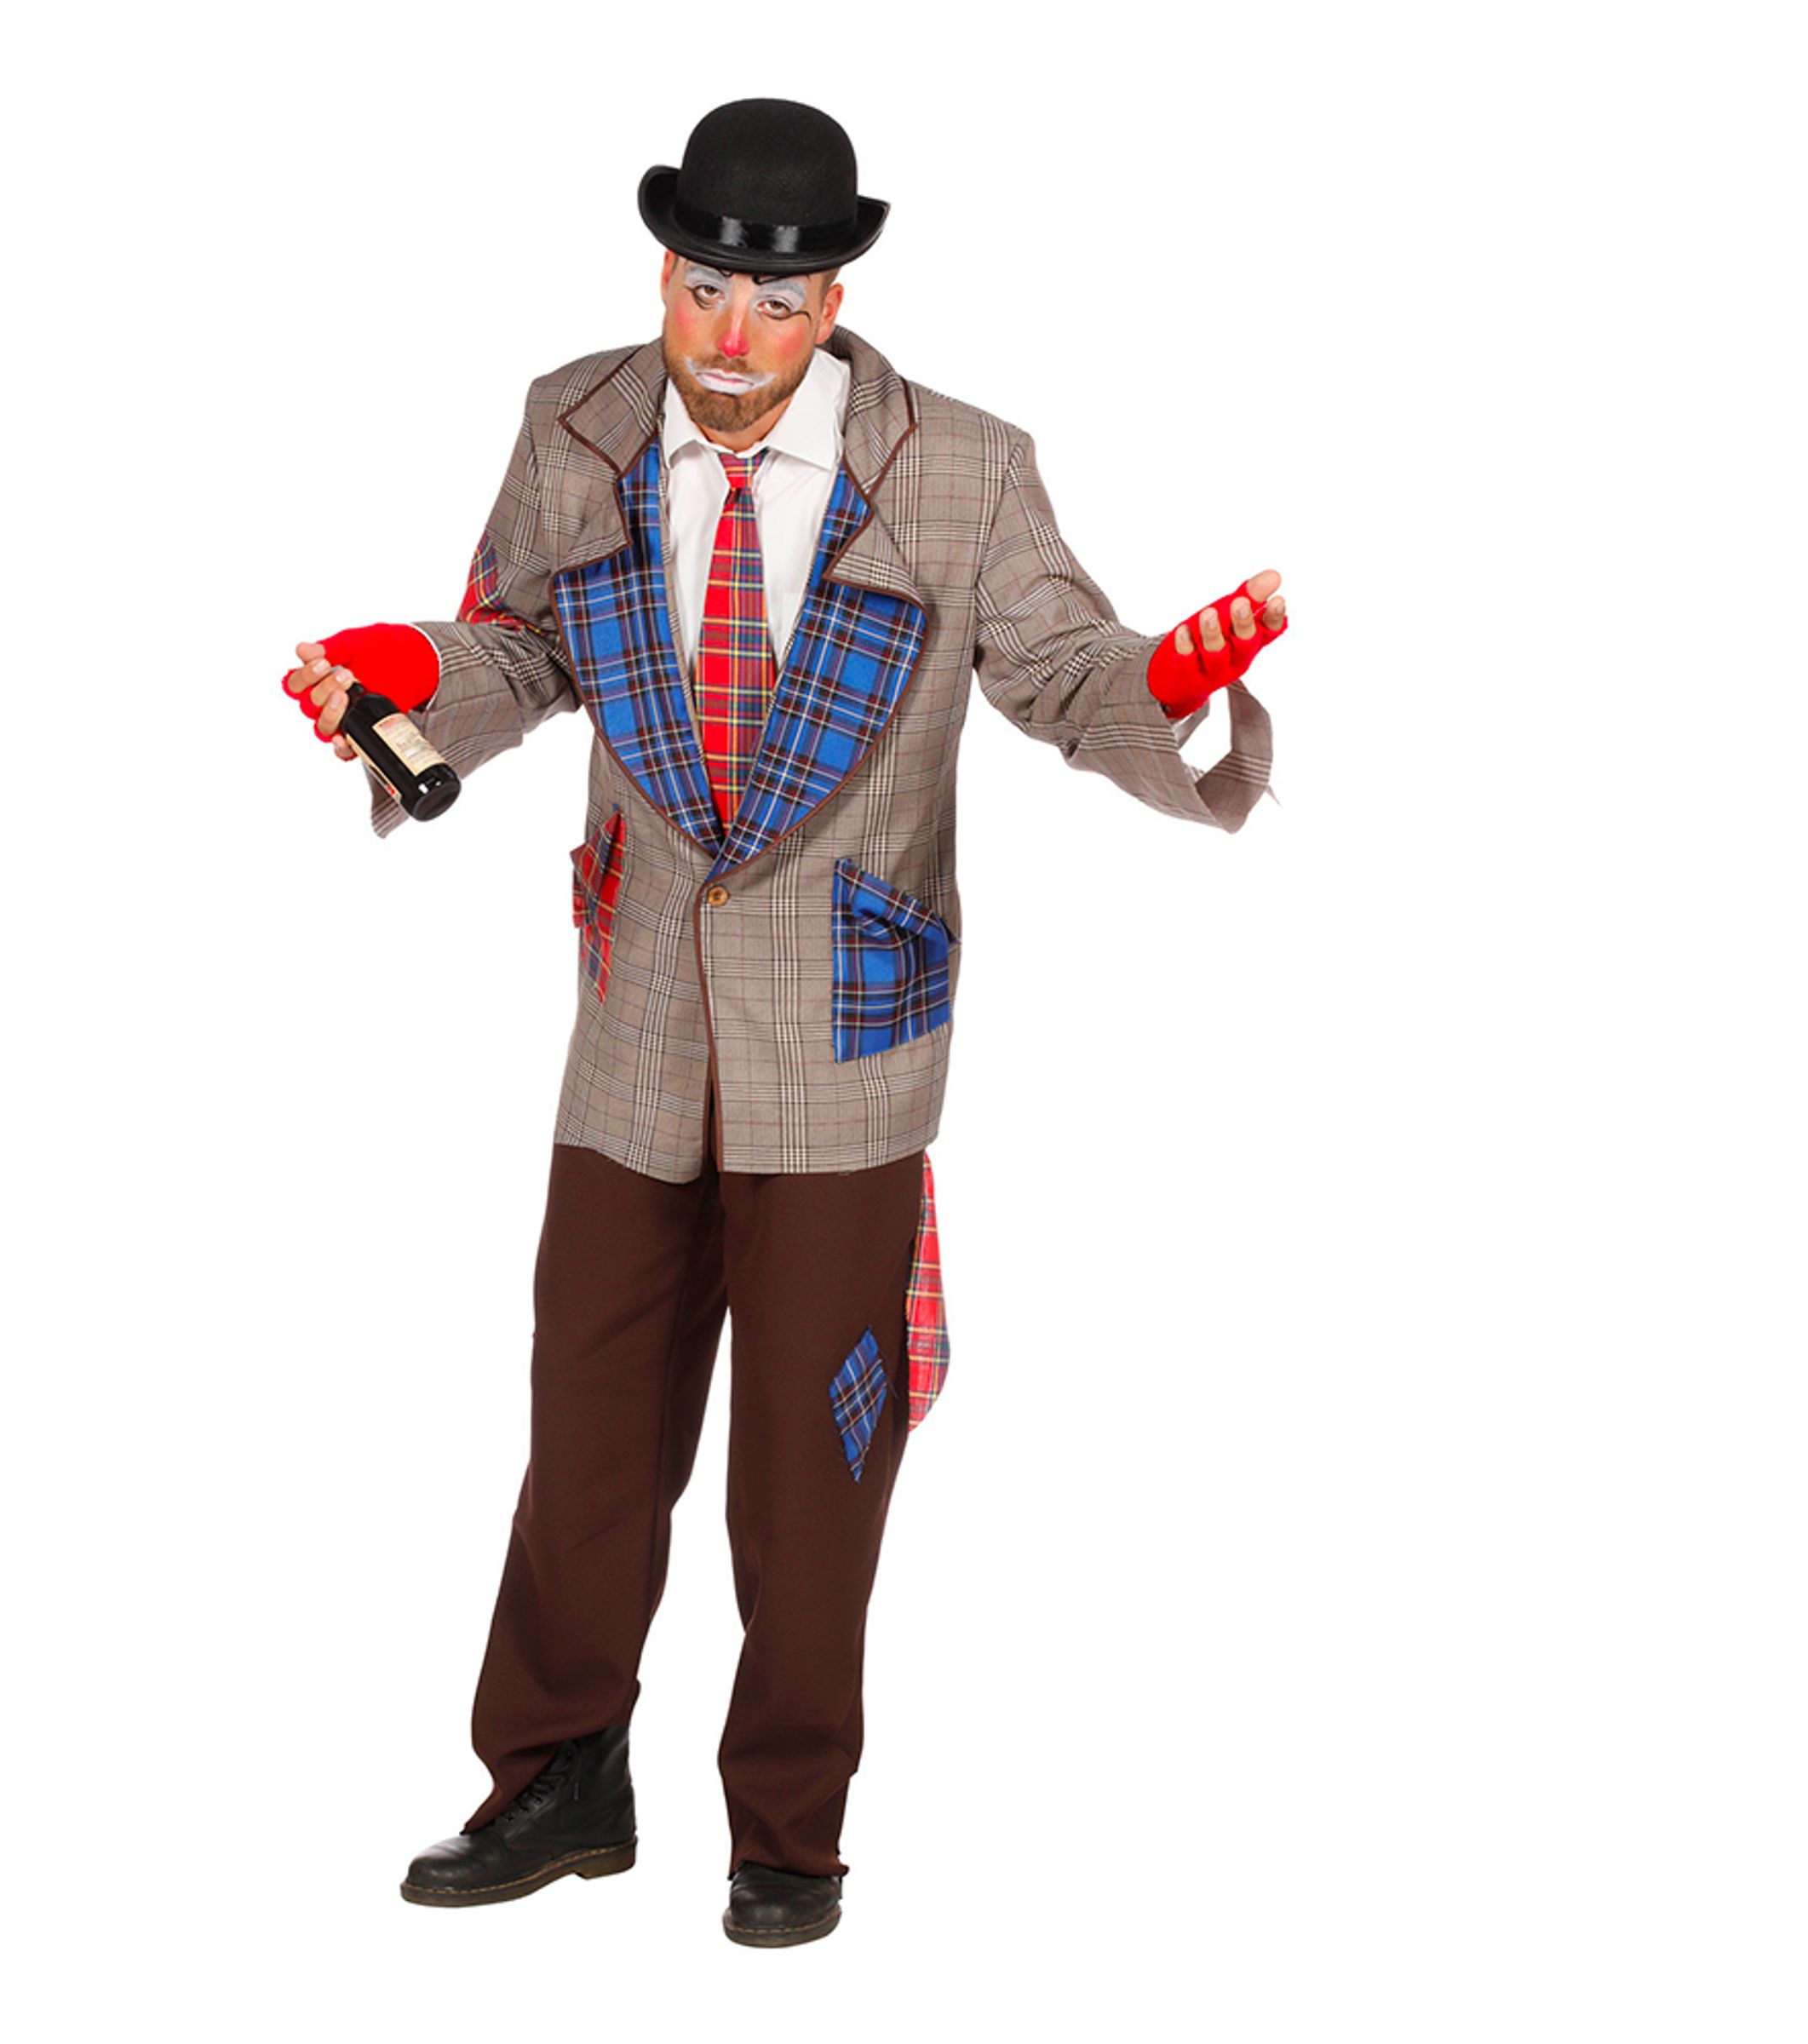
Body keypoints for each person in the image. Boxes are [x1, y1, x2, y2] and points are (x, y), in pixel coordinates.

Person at [281, 96, 1289, 1949]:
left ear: (834, 300)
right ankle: (558, 1776)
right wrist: (413, 680)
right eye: (702, 291)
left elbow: (1065, 669)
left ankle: (790, 1830)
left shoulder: (961, 467)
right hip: (634, 1031)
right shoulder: (574, 422)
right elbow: (519, 642)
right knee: (586, 1428)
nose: (732, 338)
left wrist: (1166, 684)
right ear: (663, 272)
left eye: (777, 302)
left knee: (815, 1462)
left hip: (847, 1043)